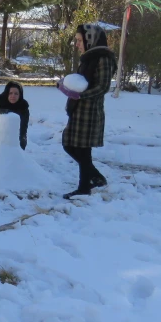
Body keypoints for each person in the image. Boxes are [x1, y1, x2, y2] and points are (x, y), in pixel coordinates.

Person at [57, 23, 117, 199]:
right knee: (68, 144)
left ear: (90, 39)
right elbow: (80, 82)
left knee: (83, 150)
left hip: (90, 112)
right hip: (78, 110)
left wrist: (78, 95)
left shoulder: (104, 58)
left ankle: (84, 188)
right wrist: (66, 85)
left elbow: (103, 87)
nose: (77, 44)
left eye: (79, 40)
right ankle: (95, 177)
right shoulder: (88, 57)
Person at [0, 81, 29, 149]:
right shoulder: (0, 100)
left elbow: (24, 125)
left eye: (16, 94)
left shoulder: (23, 106)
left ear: (20, 95)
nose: (13, 96)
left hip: (16, 131)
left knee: (21, 144)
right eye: (10, 93)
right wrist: (6, 111)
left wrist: (22, 138)